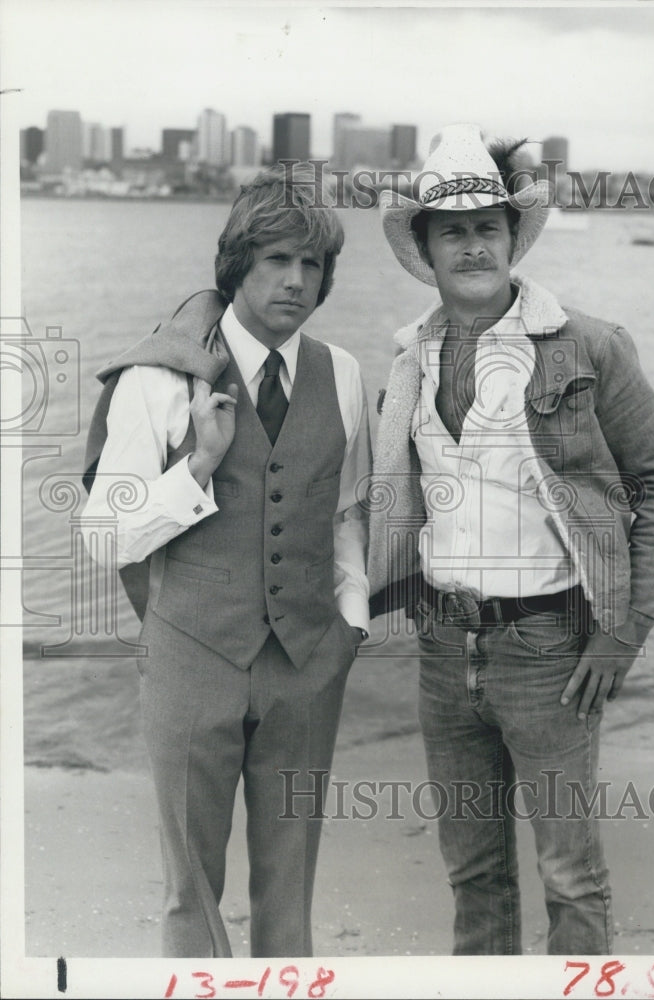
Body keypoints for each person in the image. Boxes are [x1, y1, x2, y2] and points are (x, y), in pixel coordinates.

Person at [368, 123, 654, 955]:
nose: (472, 244)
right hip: (444, 648)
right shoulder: (408, 357)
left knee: (569, 875)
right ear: (427, 247)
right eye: (453, 230)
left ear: (512, 237)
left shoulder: (588, 345)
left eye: (487, 227)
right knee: (472, 873)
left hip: (552, 647)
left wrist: (623, 633)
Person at [82, 165, 371, 958]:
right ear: (237, 263)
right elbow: (105, 533)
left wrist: (349, 624)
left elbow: (346, 511)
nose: (296, 280)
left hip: (306, 664)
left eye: (312, 265)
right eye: (277, 259)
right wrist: (198, 466)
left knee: (290, 886)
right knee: (191, 893)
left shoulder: (341, 374)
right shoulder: (161, 374)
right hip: (191, 657)